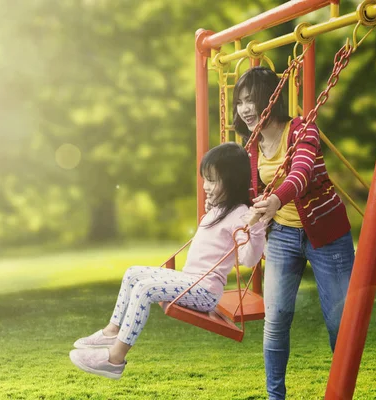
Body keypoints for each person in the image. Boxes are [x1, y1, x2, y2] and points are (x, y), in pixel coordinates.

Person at [69, 142, 266, 380]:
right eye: (205, 179)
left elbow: (249, 258)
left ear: (233, 180)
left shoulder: (242, 215)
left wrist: (255, 225)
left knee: (145, 289)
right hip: (190, 280)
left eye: (212, 181)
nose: (206, 186)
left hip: (204, 290)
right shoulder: (219, 209)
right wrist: (213, 208)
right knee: (133, 273)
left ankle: (114, 358)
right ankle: (112, 330)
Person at [233, 66, 355, 399]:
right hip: (283, 237)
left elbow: (300, 173)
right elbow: (247, 193)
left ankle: (341, 392)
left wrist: (274, 199)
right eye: (239, 101)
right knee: (275, 322)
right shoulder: (251, 146)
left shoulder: (302, 128)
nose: (244, 108)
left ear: (270, 97)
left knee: (339, 324)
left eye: (250, 99)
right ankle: (276, 397)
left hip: (328, 235)